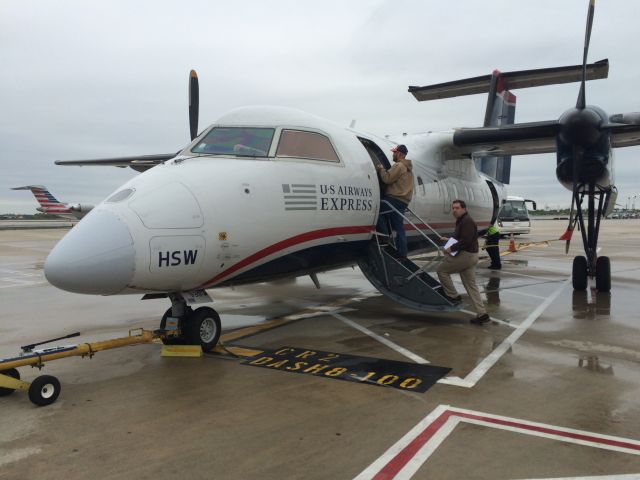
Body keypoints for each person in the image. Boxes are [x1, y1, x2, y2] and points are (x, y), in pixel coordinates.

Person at [437, 199, 490, 325]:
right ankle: (482, 314)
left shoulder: (466, 221)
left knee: (441, 271)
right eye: (453, 208)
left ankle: (453, 295)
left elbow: (465, 241)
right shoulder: (462, 220)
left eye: (457, 208)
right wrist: (449, 239)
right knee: (471, 286)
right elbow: (461, 237)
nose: (454, 210)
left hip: (466, 255)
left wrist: (450, 248)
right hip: (470, 256)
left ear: (464, 209)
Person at [375, 144, 414, 259]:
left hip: (394, 199)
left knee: (377, 210)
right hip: (403, 201)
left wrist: (381, 169)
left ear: (400, 154)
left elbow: (387, 179)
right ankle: (402, 254)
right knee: (399, 227)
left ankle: (384, 236)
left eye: (394, 152)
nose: (393, 154)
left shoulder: (399, 165)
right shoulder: (408, 169)